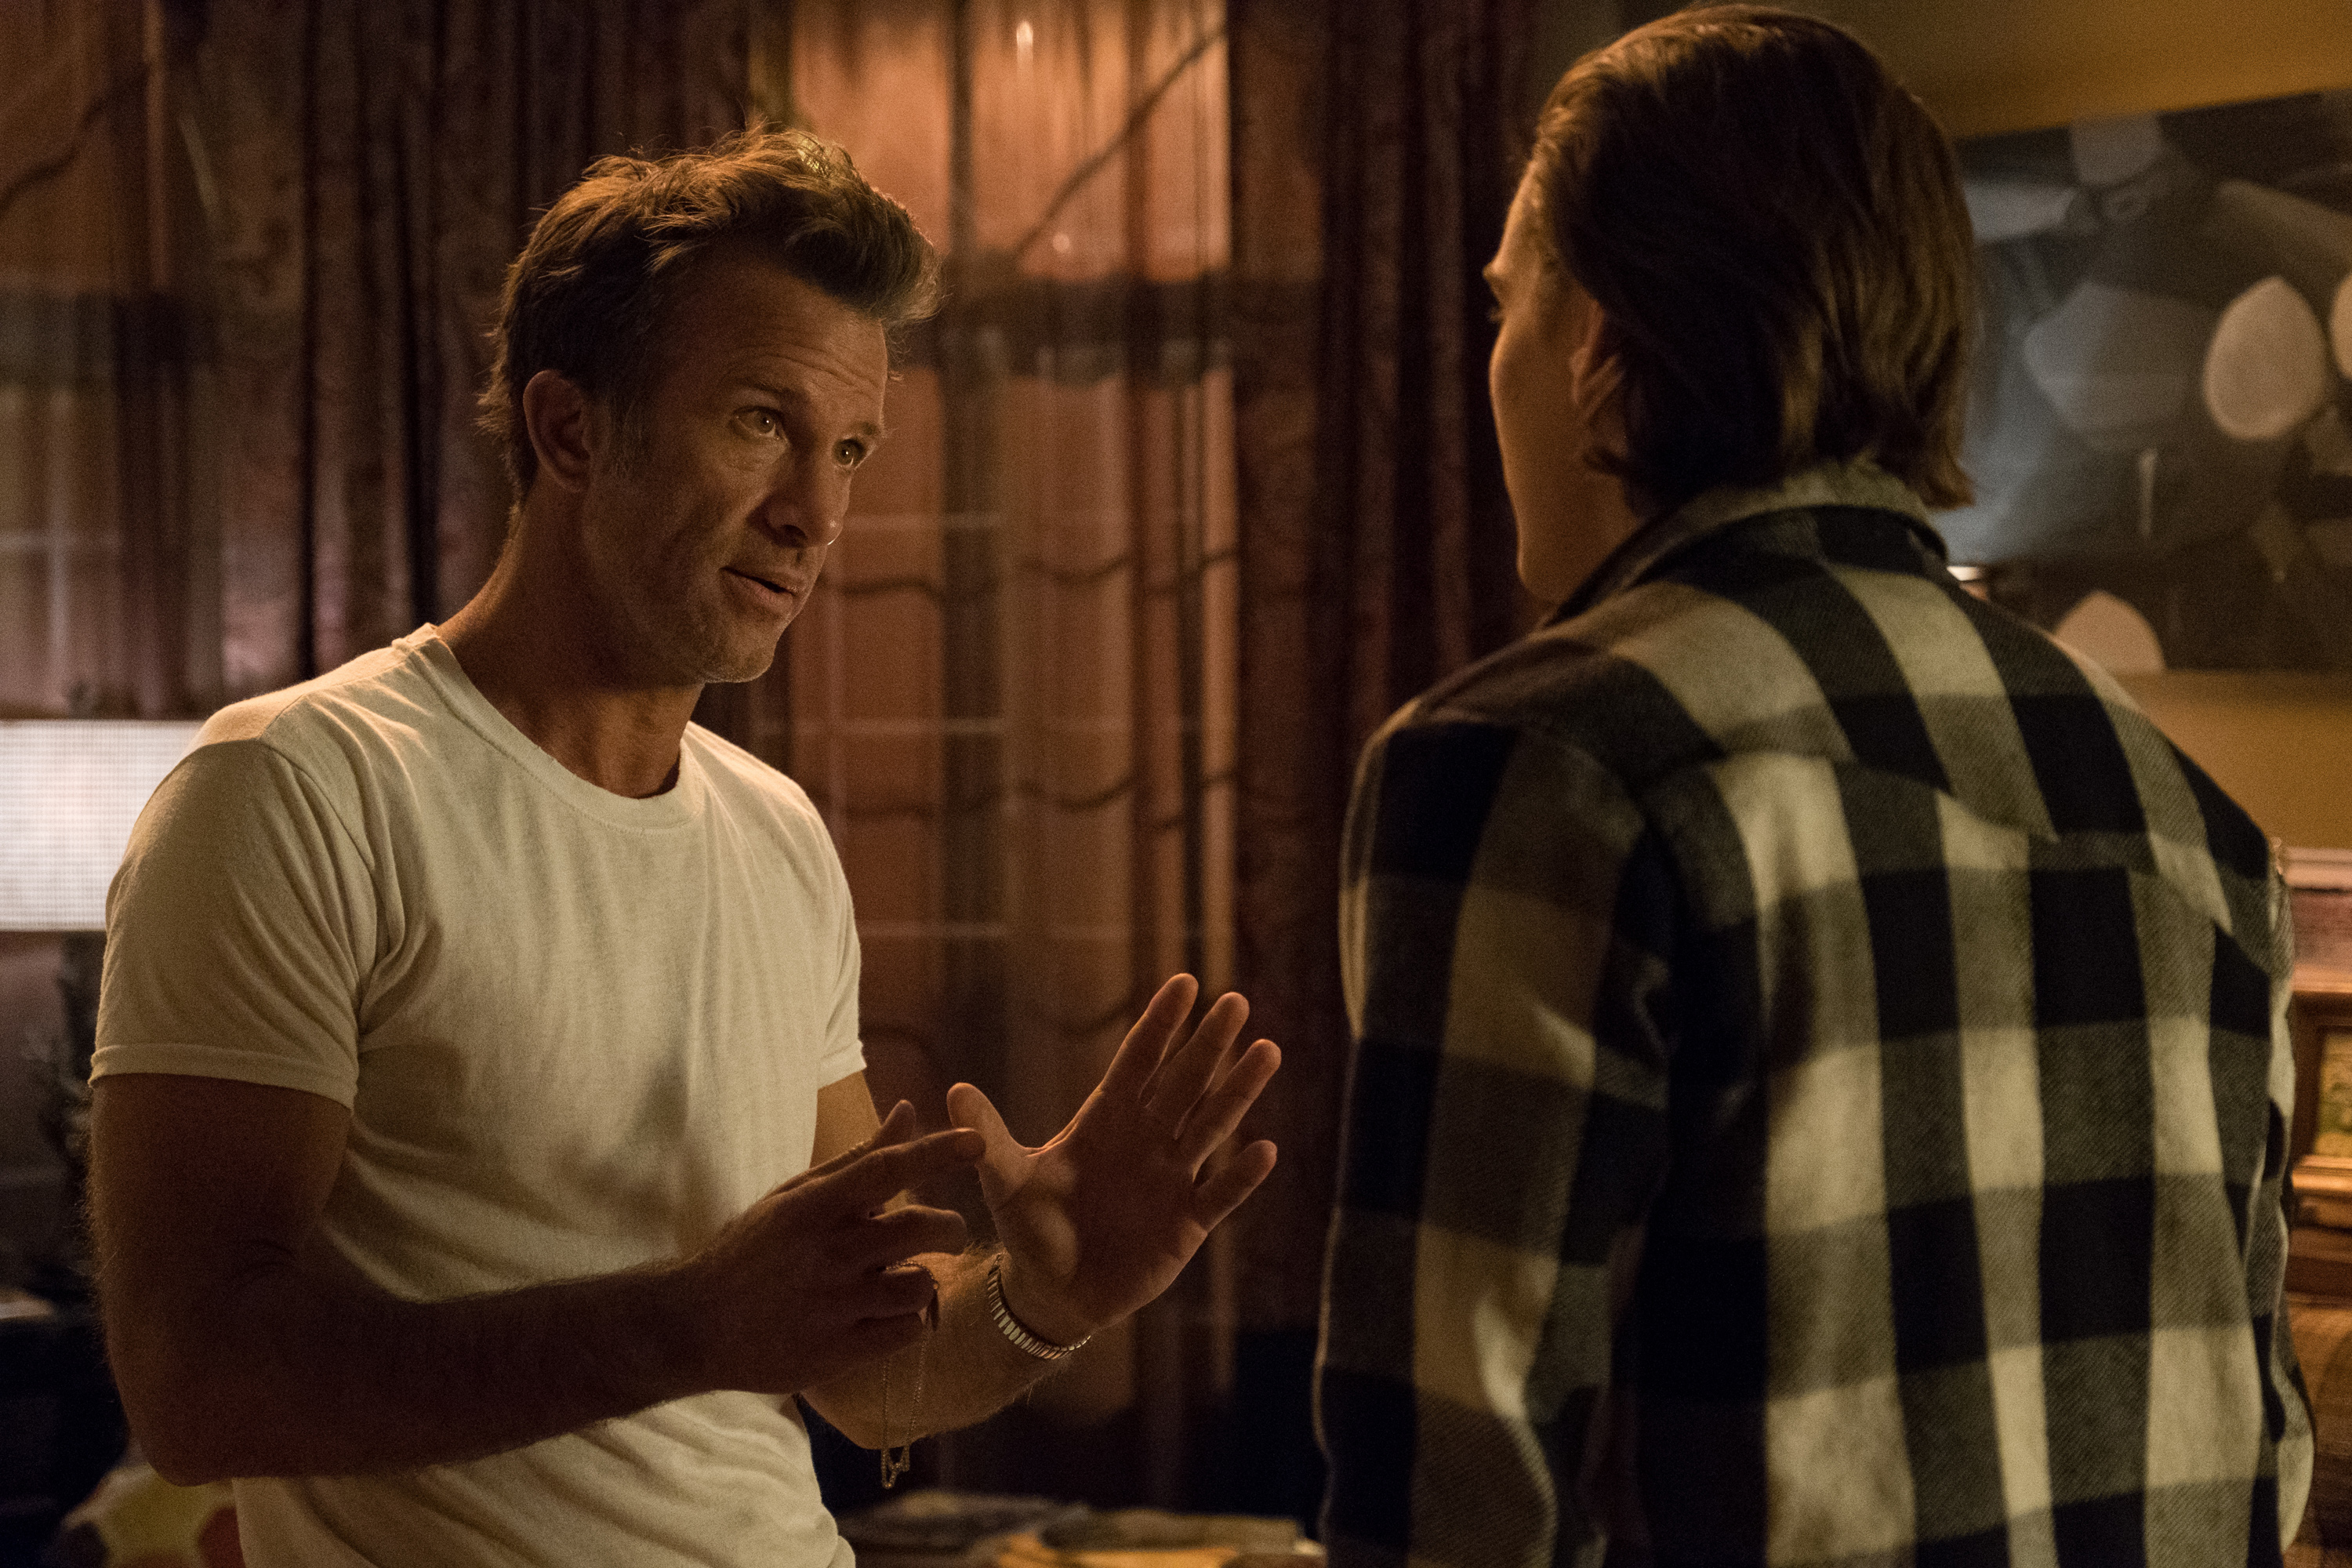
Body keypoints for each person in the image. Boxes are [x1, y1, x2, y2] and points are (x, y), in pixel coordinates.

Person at [88, 127, 1280, 1567]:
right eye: (763, 423)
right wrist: (687, 1326)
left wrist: (1049, 1299)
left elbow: (859, 1374)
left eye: (849, 450)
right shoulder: (297, 793)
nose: (818, 513)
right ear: (571, 431)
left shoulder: (776, 833)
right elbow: (196, 1386)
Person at [1314, 9, 2311, 1566]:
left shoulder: (1538, 767)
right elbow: (2258, 1450)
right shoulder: (2194, 823)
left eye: (1509, 306)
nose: (1489, 360)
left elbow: (1452, 1493)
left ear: (1600, 351)